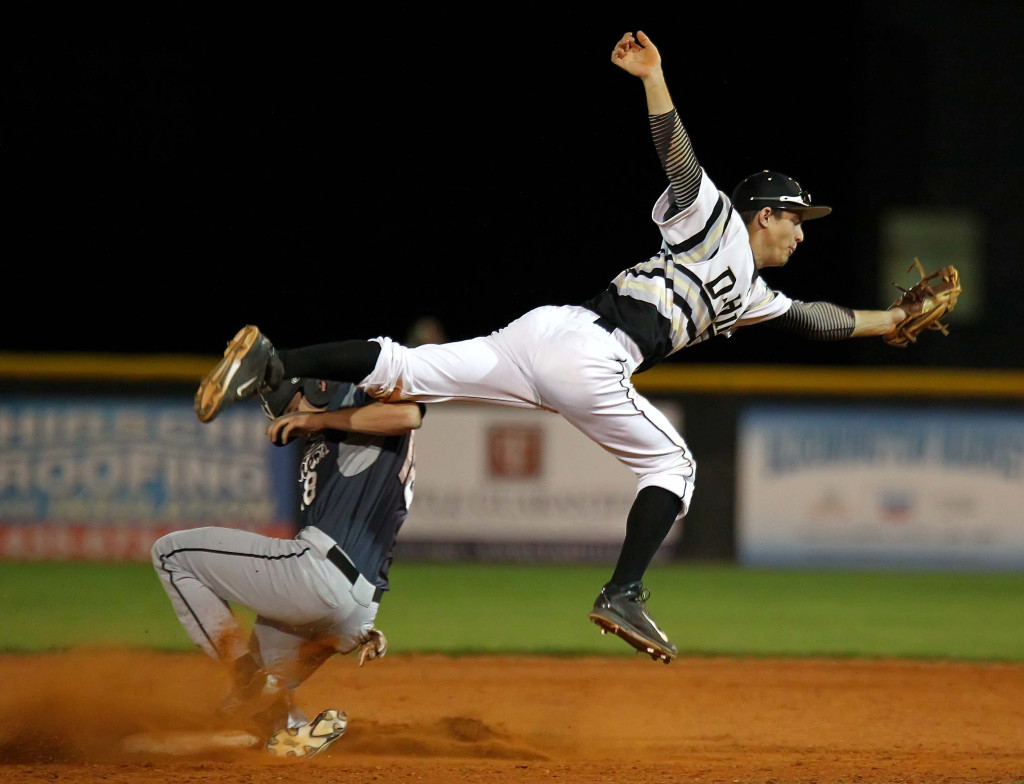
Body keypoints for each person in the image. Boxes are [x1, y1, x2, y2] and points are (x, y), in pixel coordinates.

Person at [191, 30, 908, 664]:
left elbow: (818, 318)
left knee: (403, 368)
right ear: (765, 214)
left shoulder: (755, 292)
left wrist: (892, 321)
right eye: (796, 219)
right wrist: (654, 78)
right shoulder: (716, 221)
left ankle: (274, 363)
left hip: (543, 335)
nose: (803, 232)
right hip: (593, 352)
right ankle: (623, 591)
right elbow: (679, 160)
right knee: (674, 464)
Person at [153, 377, 423, 757]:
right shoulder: (342, 436)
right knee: (241, 708)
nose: (288, 410)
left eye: (293, 399)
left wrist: (317, 415)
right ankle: (289, 730)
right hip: (354, 604)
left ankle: (250, 680)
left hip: (318, 575)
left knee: (171, 554)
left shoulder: (355, 415)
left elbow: (408, 414)